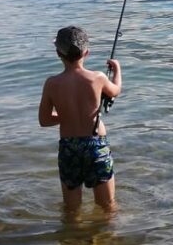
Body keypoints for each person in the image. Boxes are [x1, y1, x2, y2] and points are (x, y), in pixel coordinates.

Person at [39, 26, 122, 212]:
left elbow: (44, 120)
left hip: (69, 147)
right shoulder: (98, 78)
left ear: (57, 53)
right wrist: (117, 69)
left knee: (71, 208)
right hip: (96, 146)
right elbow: (116, 90)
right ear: (87, 52)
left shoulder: (52, 84)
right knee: (107, 206)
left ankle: (72, 238)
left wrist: (67, 116)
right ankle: (105, 239)